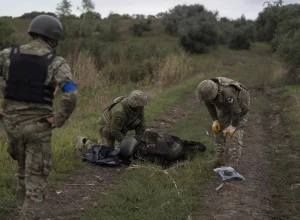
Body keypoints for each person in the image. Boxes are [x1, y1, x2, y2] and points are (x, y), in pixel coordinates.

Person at [0, 15, 77, 219]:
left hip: (12, 127)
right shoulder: (56, 62)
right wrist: (58, 119)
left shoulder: (8, 54)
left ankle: (21, 212)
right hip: (38, 129)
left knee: (23, 172)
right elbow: (71, 92)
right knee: (36, 181)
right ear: (54, 39)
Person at [196, 77, 250, 166]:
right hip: (227, 107)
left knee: (235, 133)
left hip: (240, 106)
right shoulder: (208, 92)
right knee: (218, 129)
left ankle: (232, 163)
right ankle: (219, 157)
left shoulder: (227, 93)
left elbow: (236, 111)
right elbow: (208, 104)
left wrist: (233, 125)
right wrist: (215, 120)